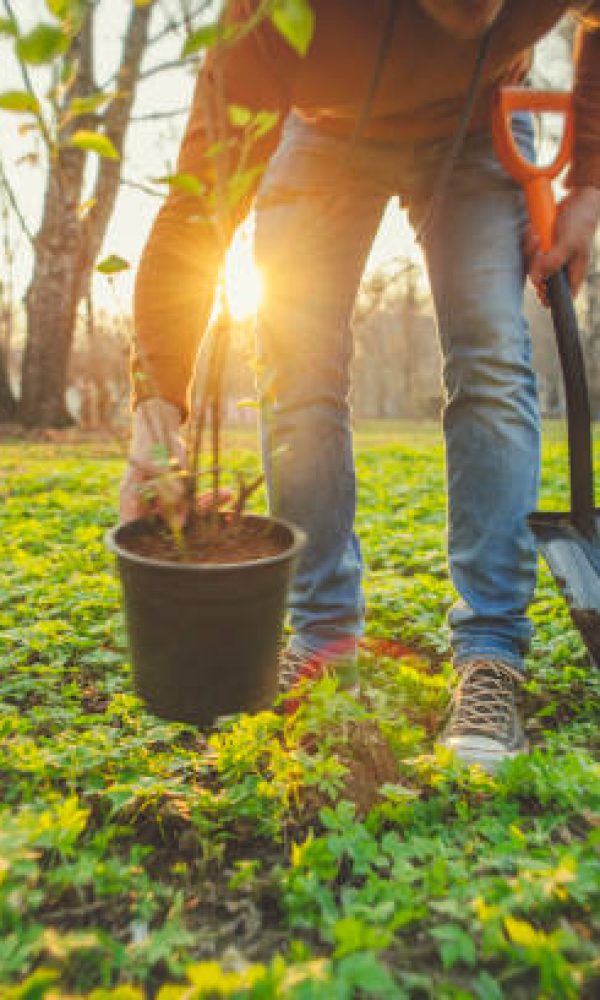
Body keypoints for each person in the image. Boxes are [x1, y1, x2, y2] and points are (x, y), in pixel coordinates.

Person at [120, 0, 600, 771]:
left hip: (480, 124)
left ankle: (489, 653)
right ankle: (323, 641)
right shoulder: (274, 14)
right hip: (324, 131)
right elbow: (198, 206)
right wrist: (155, 412)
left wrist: (589, 186)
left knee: (491, 355)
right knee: (298, 366)